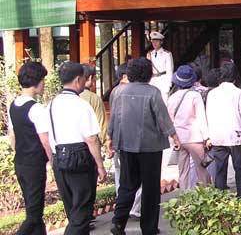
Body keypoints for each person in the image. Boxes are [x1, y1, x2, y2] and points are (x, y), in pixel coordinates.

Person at [108, 58, 180, 235]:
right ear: (149, 73)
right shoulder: (153, 92)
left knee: (126, 185)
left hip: (126, 144)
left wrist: (110, 138)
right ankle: (148, 228)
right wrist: (174, 136)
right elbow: (163, 118)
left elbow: (114, 118)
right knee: (151, 187)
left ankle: (118, 222)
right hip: (150, 147)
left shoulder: (119, 92)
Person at [49, 62, 106, 235]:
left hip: (59, 157)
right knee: (81, 212)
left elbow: (46, 135)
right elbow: (91, 138)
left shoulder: (52, 104)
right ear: (78, 80)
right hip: (79, 157)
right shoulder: (81, 105)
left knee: (72, 210)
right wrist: (100, 165)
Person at [8, 61, 52, 235]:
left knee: (33, 209)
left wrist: (20, 152)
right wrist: (51, 161)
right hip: (35, 164)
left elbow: (13, 136)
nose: (44, 84)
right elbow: (45, 141)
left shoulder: (13, 105)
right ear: (36, 82)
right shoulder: (36, 108)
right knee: (34, 214)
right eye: (43, 80)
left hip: (20, 162)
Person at [206, 61, 241, 199]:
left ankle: (220, 197)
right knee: (240, 167)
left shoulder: (212, 93)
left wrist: (209, 135)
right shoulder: (238, 93)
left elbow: (209, 114)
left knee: (220, 168)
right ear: (235, 76)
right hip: (235, 134)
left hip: (217, 135)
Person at [106, 64, 142, 220]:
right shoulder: (130, 91)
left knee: (120, 174)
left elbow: (113, 116)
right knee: (136, 174)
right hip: (130, 138)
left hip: (117, 137)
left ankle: (122, 205)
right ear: (125, 76)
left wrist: (109, 137)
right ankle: (134, 207)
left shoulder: (114, 91)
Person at [167, 65, 211, 190]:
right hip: (195, 137)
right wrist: (207, 137)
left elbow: (169, 120)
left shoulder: (172, 98)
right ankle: (206, 194)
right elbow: (201, 117)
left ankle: (184, 197)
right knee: (201, 168)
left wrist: (173, 138)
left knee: (183, 170)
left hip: (179, 139)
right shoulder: (195, 96)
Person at [80, 64, 107, 145]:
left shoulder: (60, 98)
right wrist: (106, 143)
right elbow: (101, 125)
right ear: (91, 78)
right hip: (91, 144)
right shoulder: (94, 98)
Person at [146, 31, 173, 103]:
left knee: (163, 103)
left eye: (156, 41)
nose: (154, 43)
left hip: (163, 80)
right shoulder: (149, 54)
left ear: (161, 42)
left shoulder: (167, 54)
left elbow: (169, 70)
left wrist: (168, 85)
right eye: (153, 41)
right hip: (152, 80)